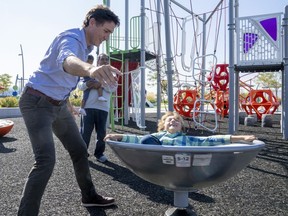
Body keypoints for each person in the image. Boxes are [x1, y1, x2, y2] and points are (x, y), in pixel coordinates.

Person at [18, 5, 120, 216]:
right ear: (92, 22)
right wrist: (92, 69)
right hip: (36, 102)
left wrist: (68, 104)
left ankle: (89, 197)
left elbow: (62, 80)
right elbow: (67, 61)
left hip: (59, 105)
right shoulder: (71, 38)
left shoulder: (87, 48)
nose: (107, 38)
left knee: (80, 150)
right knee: (45, 161)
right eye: (106, 31)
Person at [104, 111, 256, 145]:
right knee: (145, 140)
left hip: (181, 170)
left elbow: (210, 139)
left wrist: (240, 137)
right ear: (163, 125)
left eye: (177, 121)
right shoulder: (157, 137)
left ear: (181, 126)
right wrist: (118, 136)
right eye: (169, 120)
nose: (173, 121)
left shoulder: (186, 139)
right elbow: (136, 139)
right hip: (161, 169)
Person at [78, 53, 116, 163]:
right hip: (88, 107)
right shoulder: (90, 71)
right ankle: (82, 153)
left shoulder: (112, 75)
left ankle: (99, 154)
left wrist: (100, 84)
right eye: (102, 59)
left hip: (103, 108)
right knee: (85, 132)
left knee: (101, 133)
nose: (104, 61)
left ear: (108, 62)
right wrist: (88, 84)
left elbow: (113, 88)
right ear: (98, 62)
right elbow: (80, 85)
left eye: (106, 59)